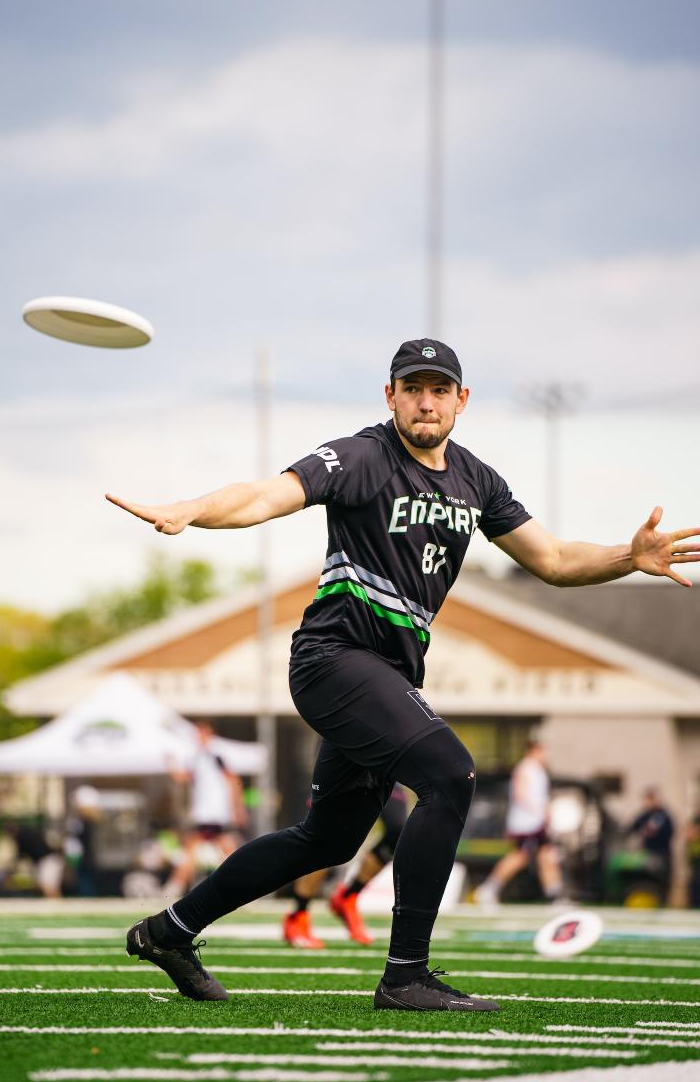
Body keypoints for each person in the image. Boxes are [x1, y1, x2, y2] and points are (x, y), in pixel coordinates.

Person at [110, 336, 700, 1013]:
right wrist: (190, 511)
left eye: (439, 389)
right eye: (412, 388)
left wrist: (628, 556)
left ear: (461, 400)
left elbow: (557, 561)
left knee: (330, 839)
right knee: (451, 775)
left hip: (387, 675)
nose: (426, 402)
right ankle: (405, 976)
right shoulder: (362, 457)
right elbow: (266, 496)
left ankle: (169, 931)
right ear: (390, 396)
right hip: (332, 661)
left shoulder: (477, 481)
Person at [283, 784, 409, 948]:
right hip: (343, 774)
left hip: (382, 774)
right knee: (324, 834)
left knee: (398, 829)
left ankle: (348, 897)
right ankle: (298, 914)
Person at [163, 721, 247, 901]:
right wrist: (170, 762)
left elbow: (233, 781)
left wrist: (237, 808)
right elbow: (182, 777)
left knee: (197, 848)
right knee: (220, 848)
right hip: (207, 812)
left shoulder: (214, 755)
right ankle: (241, 884)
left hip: (213, 811)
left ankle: (175, 887)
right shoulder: (197, 757)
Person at [475, 742, 564, 906]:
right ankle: (488, 888)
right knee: (520, 857)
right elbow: (520, 794)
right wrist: (540, 811)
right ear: (533, 751)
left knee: (547, 855)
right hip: (527, 824)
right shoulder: (525, 768)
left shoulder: (538, 770)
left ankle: (555, 895)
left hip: (537, 823)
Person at [627, 786, 674, 897]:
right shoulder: (644, 815)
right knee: (647, 880)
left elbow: (670, 832)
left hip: (662, 853)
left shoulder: (664, 815)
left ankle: (663, 899)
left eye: (651, 799)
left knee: (662, 879)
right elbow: (632, 828)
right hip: (648, 853)